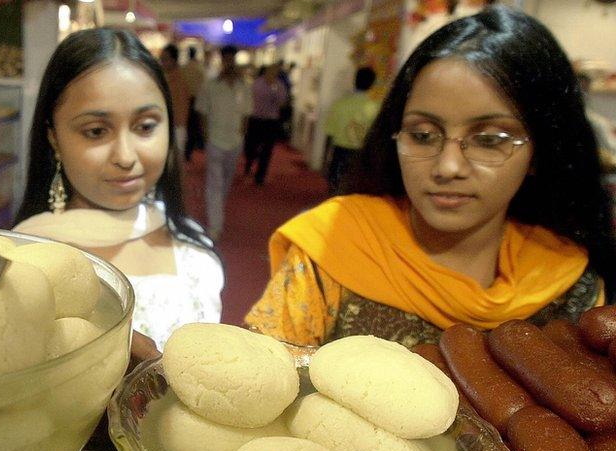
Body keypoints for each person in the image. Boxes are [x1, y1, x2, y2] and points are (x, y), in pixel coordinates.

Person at [0, 28, 224, 451]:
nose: (126, 155)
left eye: (146, 125)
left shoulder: (196, 249)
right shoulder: (21, 258)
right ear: (52, 136)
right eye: (95, 131)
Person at [245, 6, 616, 349]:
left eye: (489, 140)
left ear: (539, 151)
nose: (447, 167)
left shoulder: (569, 281)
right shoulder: (336, 243)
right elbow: (258, 387)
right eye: (423, 135)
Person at [195, 44, 252, 240]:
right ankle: (215, 225)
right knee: (214, 182)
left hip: (235, 140)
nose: (229, 63)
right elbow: (202, 111)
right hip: (215, 140)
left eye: (231, 59)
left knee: (226, 181)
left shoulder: (243, 86)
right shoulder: (210, 85)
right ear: (222, 60)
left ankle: (216, 208)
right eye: (226, 59)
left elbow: (246, 114)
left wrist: (242, 134)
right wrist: (206, 136)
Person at [323, 67, 379, 195]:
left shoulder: (340, 103)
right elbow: (375, 139)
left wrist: (325, 159)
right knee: (354, 190)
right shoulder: (375, 107)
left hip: (339, 152)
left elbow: (329, 134)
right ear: (372, 84)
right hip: (360, 155)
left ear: (355, 80)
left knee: (335, 186)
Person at [243, 63, 288, 186]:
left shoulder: (279, 86)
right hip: (255, 119)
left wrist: (274, 91)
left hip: (270, 121)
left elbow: (282, 103)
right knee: (251, 146)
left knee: (267, 150)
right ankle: (249, 163)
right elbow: (249, 99)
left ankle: (260, 176)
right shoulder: (257, 84)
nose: (273, 74)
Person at [159, 44, 191, 159]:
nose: (162, 62)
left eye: (165, 59)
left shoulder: (180, 79)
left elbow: (181, 107)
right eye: (161, 59)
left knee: (175, 162)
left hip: (176, 126)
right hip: (166, 125)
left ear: (173, 60)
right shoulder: (164, 77)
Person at [182, 45, 205, 161]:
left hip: (185, 99)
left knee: (184, 126)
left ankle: (184, 150)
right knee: (193, 127)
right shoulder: (199, 68)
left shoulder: (183, 68)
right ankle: (188, 151)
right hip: (196, 100)